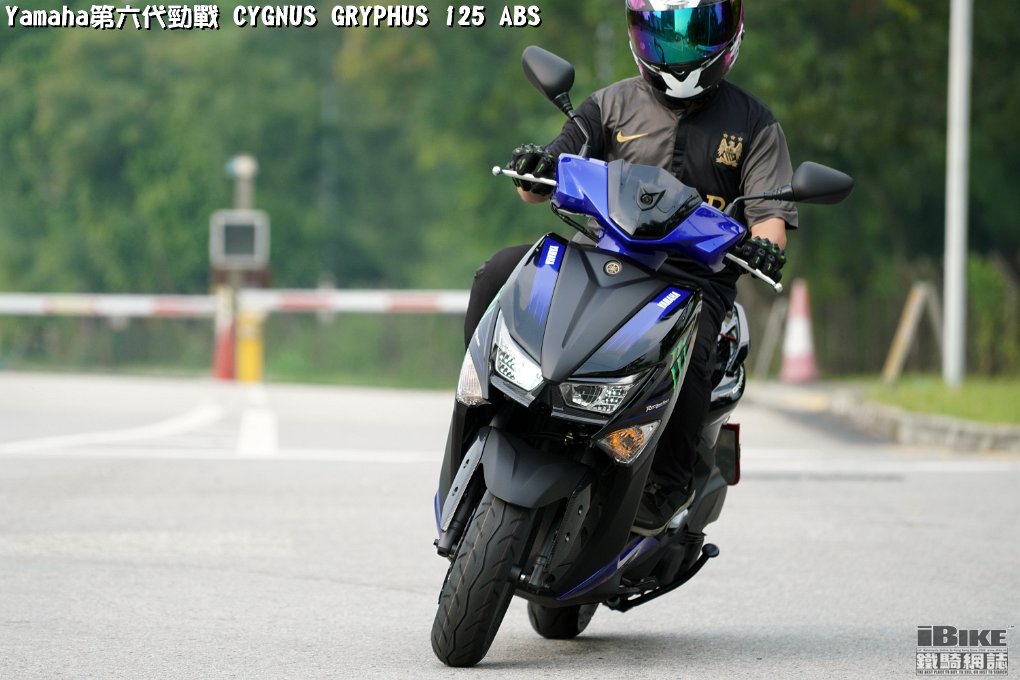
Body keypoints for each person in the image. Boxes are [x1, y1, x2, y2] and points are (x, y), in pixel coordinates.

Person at [464, 0, 797, 536]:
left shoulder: (754, 124)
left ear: (729, 32)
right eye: (663, 31)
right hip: (600, 257)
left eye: (693, 32)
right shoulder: (609, 104)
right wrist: (534, 166)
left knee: (693, 351)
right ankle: (485, 405)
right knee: (499, 271)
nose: (678, 48)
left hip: (694, 280)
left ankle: (668, 484)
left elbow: (769, 218)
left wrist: (764, 246)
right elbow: (540, 180)